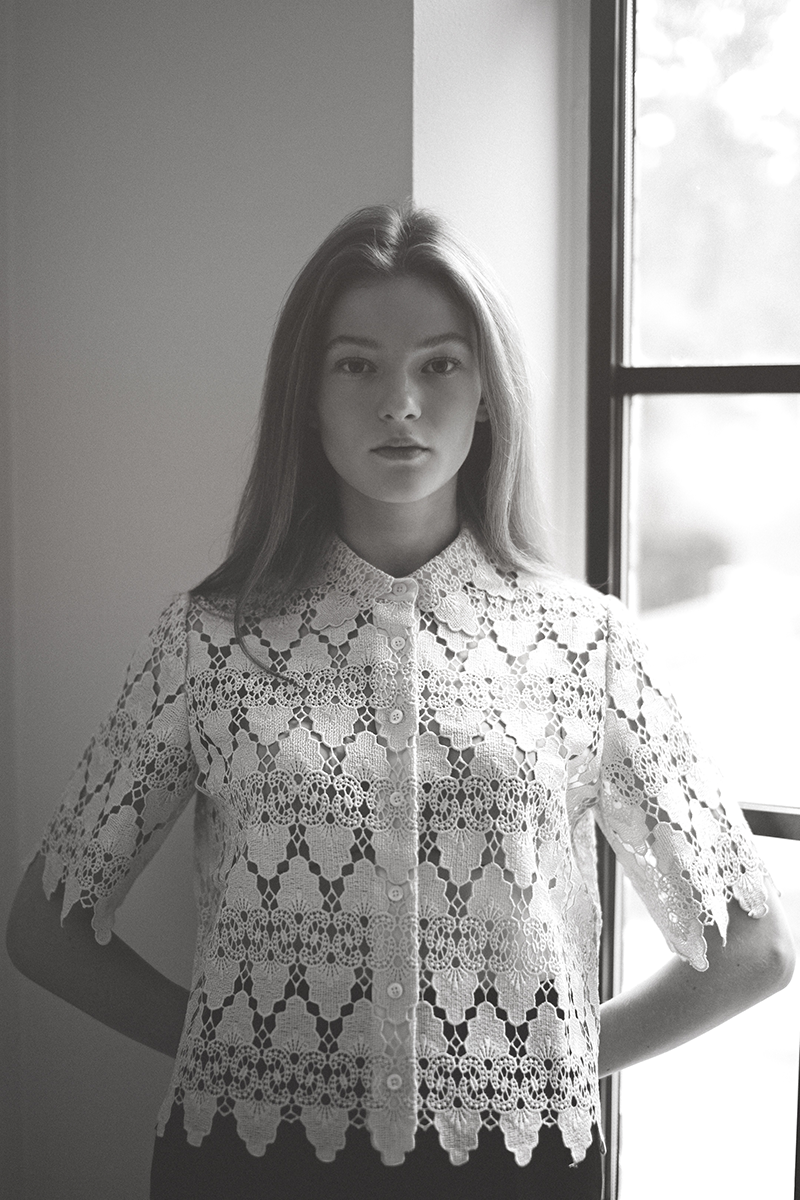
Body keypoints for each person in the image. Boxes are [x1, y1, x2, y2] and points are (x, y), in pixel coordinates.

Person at [6, 203, 795, 1200]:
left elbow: (753, 948)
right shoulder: (207, 640)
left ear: (488, 395)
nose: (400, 404)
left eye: (438, 365)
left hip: (516, 1164)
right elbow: (45, 928)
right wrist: (230, 1050)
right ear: (305, 396)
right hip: (247, 1160)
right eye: (355, 366)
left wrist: (533, 1066)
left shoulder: (583, 643)